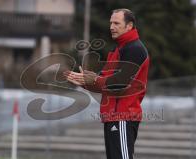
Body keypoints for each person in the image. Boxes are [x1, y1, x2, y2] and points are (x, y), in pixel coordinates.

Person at [64, 8, 149, 159]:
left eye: (116, 23)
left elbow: (120, 84)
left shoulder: (134, 49)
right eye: (111, 23)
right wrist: (83, 81)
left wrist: (94, 80)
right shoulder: (119, 49)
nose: (111, 27)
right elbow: (103, 80)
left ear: (129, 26)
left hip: (123, 117)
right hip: (112, 116)